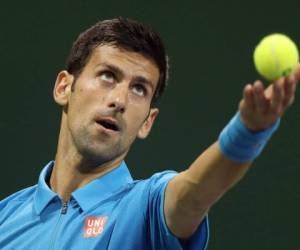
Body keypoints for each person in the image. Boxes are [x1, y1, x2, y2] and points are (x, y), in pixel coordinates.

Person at [0, 17, 299, 250]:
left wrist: (248, 132)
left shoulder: (147, 208)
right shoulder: (5, 219)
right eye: (108, 76)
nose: (119, 100)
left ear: (147, 122)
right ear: (64, 87)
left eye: (139, 89)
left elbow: (194, 194)